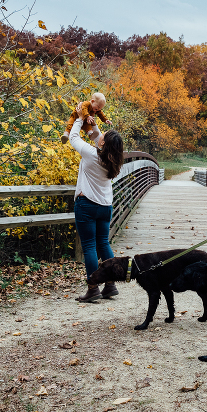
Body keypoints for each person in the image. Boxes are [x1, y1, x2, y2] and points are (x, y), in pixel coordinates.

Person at [69, 101, 125, 302]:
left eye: (103, 136)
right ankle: (109, 284)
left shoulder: (92, 155)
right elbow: (96, 137)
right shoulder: (112, 160)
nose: (100, 135)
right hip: (105, 206)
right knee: (103, 243)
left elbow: (74, 138)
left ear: (103, 144)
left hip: (87, 205)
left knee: (90, 247)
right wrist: (93, 124)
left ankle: (93, 288)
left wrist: (79, 118)